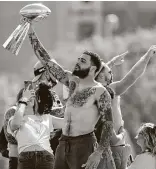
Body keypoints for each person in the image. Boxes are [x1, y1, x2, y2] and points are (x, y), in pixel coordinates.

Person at [28, 25, 114, 169]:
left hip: (84, 145)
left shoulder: (100, 92)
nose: (78, 62)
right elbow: (47, 61)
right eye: (79, 59)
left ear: (93, 69)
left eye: (83, 61)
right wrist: (31, 31)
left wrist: (98, 152)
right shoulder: (72, 82)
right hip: (63, 143)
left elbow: (109, 124)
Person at [94, 45, 156, 169]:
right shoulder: (109, 90)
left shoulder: (91, 91)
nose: (111, 74)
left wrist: (111, 63)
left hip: (101, 144)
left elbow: (97, 74)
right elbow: (132, 77)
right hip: (114, 144)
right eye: (109, 72)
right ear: (101, 77)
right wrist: (147, 56)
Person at [8, 82, 64, 169]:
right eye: (26, 96)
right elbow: (15, 125)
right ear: (19, 102)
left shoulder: (47, 118)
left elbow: (68, 123)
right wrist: (24, 100)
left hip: (46, 158)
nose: (29, 98)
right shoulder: (15, 119)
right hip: (26, 160)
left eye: (32, 96)